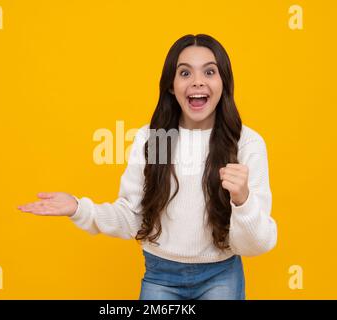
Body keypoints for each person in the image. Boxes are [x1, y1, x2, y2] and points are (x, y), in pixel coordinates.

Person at [17, 34, 277, 300]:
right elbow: (134, 217)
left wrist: (243, 200)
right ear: (171, 86)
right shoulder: (158, 140)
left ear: (224, 82)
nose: (198, 80)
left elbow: (257, 244)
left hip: (221, 276)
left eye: (209, 71)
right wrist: (80, 208)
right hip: (161, 277)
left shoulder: (245, 143)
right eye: (185, 72)